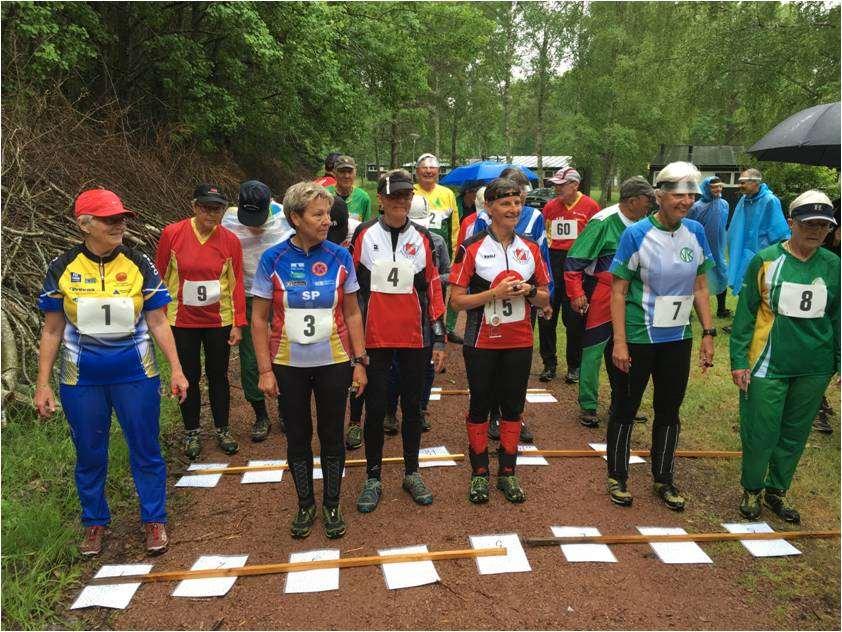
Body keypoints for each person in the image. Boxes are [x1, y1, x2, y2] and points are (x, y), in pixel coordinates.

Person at [34, 189, 188, 556]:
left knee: (146, 448)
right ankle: (94, 523)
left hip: (135, 373)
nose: (119, 225)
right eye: (109, 219)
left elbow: (158, 321)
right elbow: (52, 329)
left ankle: (154, 519)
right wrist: (42, 384)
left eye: (122, 218)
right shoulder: (62, 266)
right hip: (82, 378)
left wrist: (177, 370)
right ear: (84, 224)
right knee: (89, 452)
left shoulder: (139, 263)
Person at [250, 182, 367, 539]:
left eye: (328, 214)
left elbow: (352, 314)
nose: (327, 221)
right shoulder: (273, 259)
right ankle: (305, 504)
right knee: (298, 437)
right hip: (288, 364)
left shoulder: (339, 255)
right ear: (295, 217)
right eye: (317, 214)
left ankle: (331, 503)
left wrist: (360, 361)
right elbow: (258, 319)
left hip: (333, 361)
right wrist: (265, 370)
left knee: (332, 436)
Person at [607, 161, 715, 511]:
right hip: (639, 336)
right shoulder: (636, 234)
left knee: (669, 408)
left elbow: (700, 285)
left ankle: (664, 477)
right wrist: (620, 341)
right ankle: (618, 475)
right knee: (626, 406)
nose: (685, 202)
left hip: (677, 337)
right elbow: (618, 291)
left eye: (690, 196)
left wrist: (709, 332)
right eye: (678, 195)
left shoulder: (696, 232)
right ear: (660, 196)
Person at [730, 190, 839, 523]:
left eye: (824, 225)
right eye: (809, 223)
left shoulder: (834, 266)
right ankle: (752, 489)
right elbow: (746, 315)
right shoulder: (765, 260)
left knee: (795, 433)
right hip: (768, 363)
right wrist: (738, 361)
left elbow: (836, 317)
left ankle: (777, 491)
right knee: (761, 431)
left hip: (814, 366)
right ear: (791, 223)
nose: (817, 230)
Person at [450, 177, 551, 503]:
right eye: (506, 203)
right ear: (489, 207)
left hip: (519, 340)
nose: (514, 209)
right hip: (481, 341)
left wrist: (531, 291)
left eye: (518, 202)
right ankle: (479, 473)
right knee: (480, 404)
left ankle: (508, 473)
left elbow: (546, 297)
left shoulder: (530, 248)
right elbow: (457, 301)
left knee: (513, 407)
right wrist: (494, 293)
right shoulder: (472, 247)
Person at [350, 169, 446, 513]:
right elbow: (352, 292)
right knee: (375, 408)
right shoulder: (363, 235)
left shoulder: (424, 238)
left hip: (414, 336)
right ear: (381, 199)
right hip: (375, 336)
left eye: (405, 196)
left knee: (412, 409)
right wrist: (354, 345)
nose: (400, 202)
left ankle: (411, 472)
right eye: (393, 197)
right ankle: (373, 476)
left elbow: (433, 287)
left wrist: (438, 337)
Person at [156, 184, 246, 459]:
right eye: (206, 207)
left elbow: (236, 282)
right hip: (181, 319)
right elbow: (160, 274)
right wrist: (157, 313)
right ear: (195, 207)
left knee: (218, 375)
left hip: (218, 319)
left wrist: (238, 321)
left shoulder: (230, 240)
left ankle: (222, 428)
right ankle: (192, 431)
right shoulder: (173, 234)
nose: (211, 213)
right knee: (189, 375)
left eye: (217, 208)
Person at [564, 176, 654, 427]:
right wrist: (576, 292)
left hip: (635, 294)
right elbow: (574, 260)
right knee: (594, 349)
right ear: (633, 200)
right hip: (603, 292)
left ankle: (624, 402)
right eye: (647, 200)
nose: (651, 205)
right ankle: (589, 405)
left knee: (631, 349)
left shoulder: (646, 223)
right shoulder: (603, 222)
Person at [222, 181, 293, 441]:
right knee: (251, 359)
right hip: (249, 296)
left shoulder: (284, 217)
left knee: (284, 353)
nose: (253, 224)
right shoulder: (228, 219)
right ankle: (260, 413)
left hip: (281, 294)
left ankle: (286, 409)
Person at [381, 195, 452, 435]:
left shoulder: (438, 241)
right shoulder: (386, 238)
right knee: (393, 366)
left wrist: (423, 279)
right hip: (395, 312)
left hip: (428, 309)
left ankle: (421, 408)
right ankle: (390, 410)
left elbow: (446, 274)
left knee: (428, 366)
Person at [539, 167, 600, 384]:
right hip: (553, 263)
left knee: (575, 319)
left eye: (561, 185)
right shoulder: (550, 207)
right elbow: (543, 238)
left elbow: (596, 239)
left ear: (575, 185)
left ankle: (574, 365)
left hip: (578, 266)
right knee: (546, 317)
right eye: (555, 185)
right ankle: (549, 363)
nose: (557, 189)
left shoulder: (591, 207)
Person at [413, 153, 461, 343]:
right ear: (417, 171)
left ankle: (440, 332)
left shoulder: (447, 194)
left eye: (432, 168)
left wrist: (455, 252)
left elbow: (454, 226)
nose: (428, 171)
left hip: (440, 252)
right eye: (424, 167)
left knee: (439, 293)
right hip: (415, 249)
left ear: (438, 171)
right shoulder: (411, 191)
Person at [726, 168, 790, 296]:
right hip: (744, 250)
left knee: (760, 290)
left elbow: (780, 232)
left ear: (755, 182)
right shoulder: (744, 200)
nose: (740, 185)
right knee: (744, 288)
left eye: (743, 182)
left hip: (762, 252)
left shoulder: (770, 200)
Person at [688, 176, 730, 319]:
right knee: (694, 279)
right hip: (699, 248)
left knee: (722, 275)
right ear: (706, 188)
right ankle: (688, 312)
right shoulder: (696, 207)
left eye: (720, 186)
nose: (718, 189)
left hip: (718, 248)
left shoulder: (724, 204)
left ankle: (722, 309)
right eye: (714, 187)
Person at [328, 155, 372, 223]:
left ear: (355, 173)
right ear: (334, 173)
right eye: (342, 172)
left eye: (350, 171)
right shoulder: (325, 195)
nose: (346, 176)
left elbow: (366, 227)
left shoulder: (363, 198)